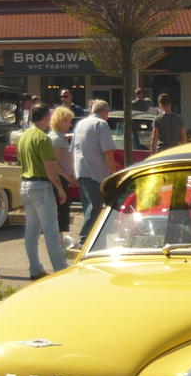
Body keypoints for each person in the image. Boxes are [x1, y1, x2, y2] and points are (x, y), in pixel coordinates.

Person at [17, 110, 69, 278]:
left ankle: (35, 268)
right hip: (41, 185)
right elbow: (49, 167)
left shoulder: (23, 137)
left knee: (31, 231)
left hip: (25, 184)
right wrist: (60, 187)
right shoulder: (42, 138)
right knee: (51, 231)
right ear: (46, 117)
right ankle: (60, 269)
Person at [72, 99, 117, 228]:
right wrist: (113, 173)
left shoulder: (80, 124)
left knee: (88, 208)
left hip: (81, 171)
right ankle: (84, 239)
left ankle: (90, 240)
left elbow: (73, 150)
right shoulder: (101, 124)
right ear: (106, 112)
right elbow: (108, 151)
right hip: (95, 173)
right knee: (95, 208)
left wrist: (73, 171)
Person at [48, 106, 76, 239]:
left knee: (61, 212)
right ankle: (58, 243)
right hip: (58, 179)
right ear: (62, 121)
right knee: (59, 212)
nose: (70, 124)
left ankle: (60, 242)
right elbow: (55, 164)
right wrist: (69, 178)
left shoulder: (61, 137)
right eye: (69, 121)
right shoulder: (57, 139)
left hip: (62, 178)